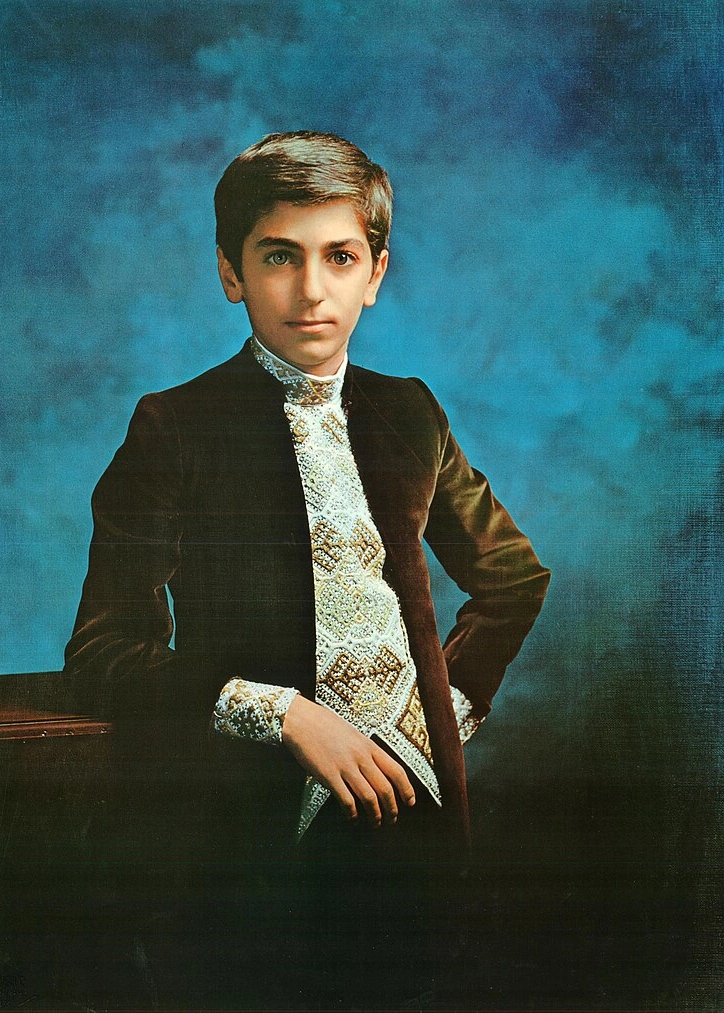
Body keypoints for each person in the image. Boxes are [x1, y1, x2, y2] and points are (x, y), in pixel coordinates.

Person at [63, 130, 550, 1010]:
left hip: (418, 804)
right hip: (255, 836)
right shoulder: (175, 428)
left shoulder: (410, 411)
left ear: (376, 273)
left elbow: (514, 578)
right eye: (279, 255)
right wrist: (284, 713)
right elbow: (101, 654)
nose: (312, 288)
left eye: (340, 256)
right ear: (231, 272)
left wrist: (441, 712)